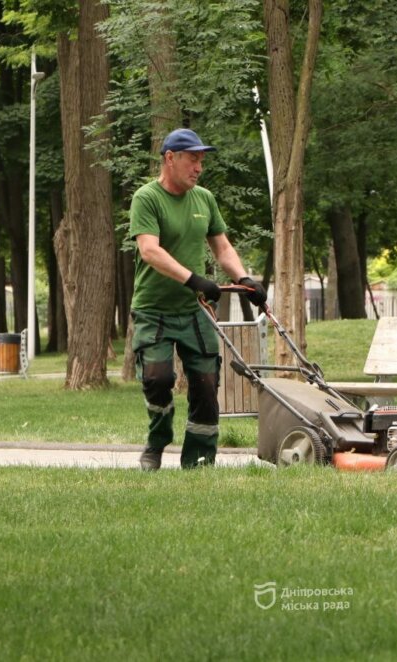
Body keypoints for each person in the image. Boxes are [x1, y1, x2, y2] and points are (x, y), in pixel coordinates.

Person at [128, 128, 267, 471]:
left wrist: (244, 278)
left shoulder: (204, 199)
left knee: (206, 384)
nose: (199, 168)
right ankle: (157, 441)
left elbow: (222, 247)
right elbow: (150, 251)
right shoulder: (147, 198)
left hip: (195, 310)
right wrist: (195, 279)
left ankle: (200, 462)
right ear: (170, 158)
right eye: (193, 159)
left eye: (202, 161)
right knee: (157, 379)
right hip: (153, 310)